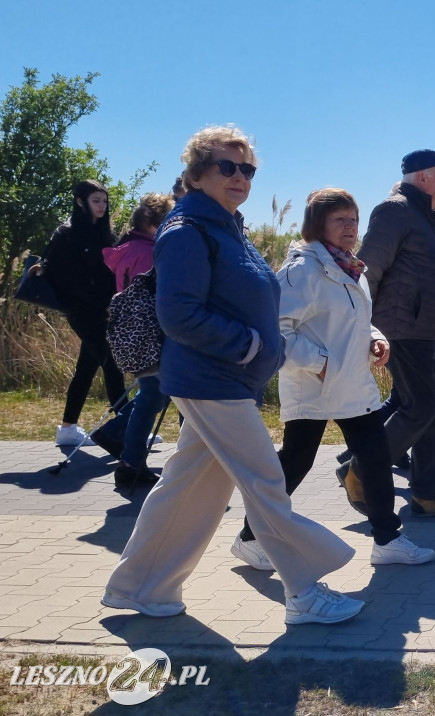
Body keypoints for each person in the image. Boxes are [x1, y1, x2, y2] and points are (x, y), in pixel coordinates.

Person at [103, 126, 362, 625]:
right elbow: (178, 313)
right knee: (265, 483)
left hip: (228, 379)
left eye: (247, 169)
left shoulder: (227, 227)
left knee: (187, 488)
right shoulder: (186, 231)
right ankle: (304, 592)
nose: (239, 176)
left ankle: (140, 588)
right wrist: (249, 346)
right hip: (210, 379)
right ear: (197, 174)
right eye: (227, 166)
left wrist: (265, 349)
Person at [230, 187, 434, 570]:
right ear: (317, 224)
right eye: (340, 219)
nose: (350, 227)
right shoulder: (301, 271)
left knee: (375, 458)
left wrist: (375, 339)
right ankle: (250, 537)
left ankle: (387, 540)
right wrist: (320, 362)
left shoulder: (350, 267)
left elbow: (354, 321)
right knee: (296, 463)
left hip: (351, 386)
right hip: (313, 386)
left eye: (353, 219)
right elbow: (276, 330)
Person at [356, 149, 435, 517]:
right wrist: (366, 327)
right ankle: (361, 469)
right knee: (419, 407)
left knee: (432, 411)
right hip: (403, 328)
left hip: (431, 330)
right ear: (422, 177)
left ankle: (426, 493)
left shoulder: (424, 216)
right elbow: (368, 270)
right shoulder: (395, 210)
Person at [40, 180, 126, 447]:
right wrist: (96, 304)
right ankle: (127, 429)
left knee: (87, 368)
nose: (102, 206)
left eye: (104, 201)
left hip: (104, 311)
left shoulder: (104, 233)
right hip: (82, 312)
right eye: (95, 201)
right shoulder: (66, 234)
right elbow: (62, 278)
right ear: (80, 202)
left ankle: (67, 429)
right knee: (111, 363)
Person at [100, 193, 175, 488]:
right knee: (152, 398)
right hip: (151, 334)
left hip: (136, 335)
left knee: (152, 396)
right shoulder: (149, 253)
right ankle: (130, 461)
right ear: (157, 224)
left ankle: (125, 450)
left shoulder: (129, 249)